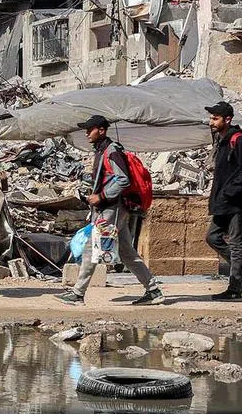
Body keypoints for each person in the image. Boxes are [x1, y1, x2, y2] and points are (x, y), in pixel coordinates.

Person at [57, 115, 163, 306]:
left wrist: (101, 196)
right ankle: (153, 290)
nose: (87, 133)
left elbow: (123, 180)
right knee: (127, 253)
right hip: (113, 210)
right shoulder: (102, 151)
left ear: (102, 130)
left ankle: (78, 293)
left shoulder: (111, 151)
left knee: (91, 248)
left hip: (111, 210)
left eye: (90, 129)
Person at [205, 101, 242, 300]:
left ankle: (235, 288)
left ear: (227, 119)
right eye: (211, 118)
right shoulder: (222, 140)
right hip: (223, 202)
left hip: (236, 202)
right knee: (212, 237)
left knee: (237, 243)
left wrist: (229, 192)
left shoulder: (239, 141)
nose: (211, 122)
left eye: (215, 118)